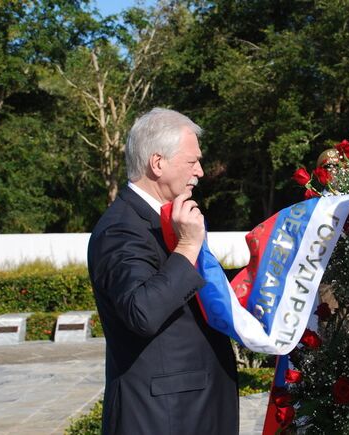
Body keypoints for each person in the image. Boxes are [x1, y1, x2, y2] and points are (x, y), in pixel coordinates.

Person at [88, 108, 238, 434]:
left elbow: (194, 288)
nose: (199, 171)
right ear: (158, 163)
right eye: (191, 161)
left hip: (190, 411)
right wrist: (187, 247)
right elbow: (141, 310)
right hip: (163, 418)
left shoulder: (163, 219)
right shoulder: (121, 228)